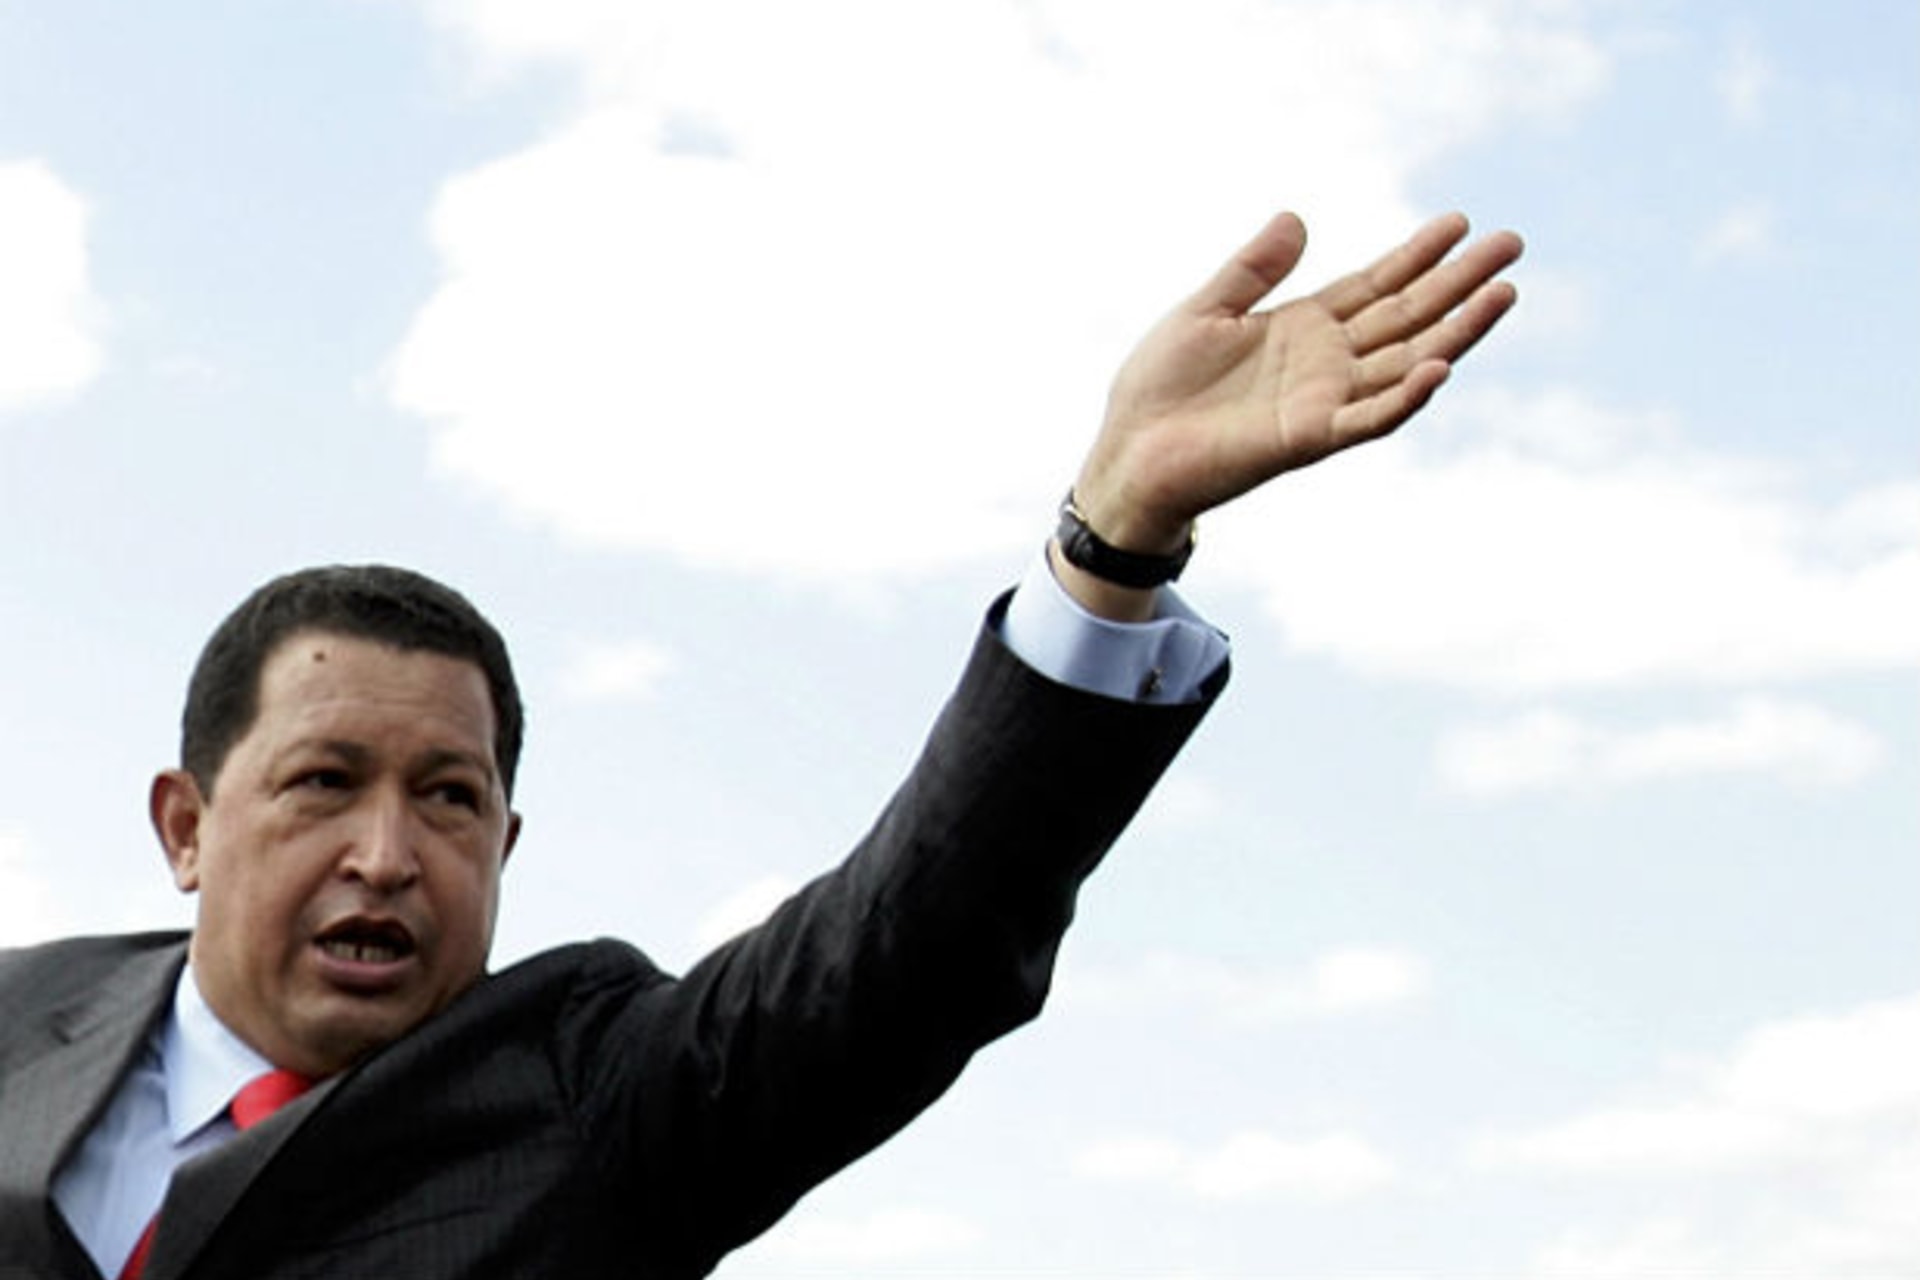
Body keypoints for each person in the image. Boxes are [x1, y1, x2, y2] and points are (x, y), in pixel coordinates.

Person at [0, 210, 1522, 1278]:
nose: (390, 855)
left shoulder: (595, 1096)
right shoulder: (24, 1021)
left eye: (452, 800)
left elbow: (903, 945)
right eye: (327, 783)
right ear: (187, 823)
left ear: (506, 845)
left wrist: (1112, 539)